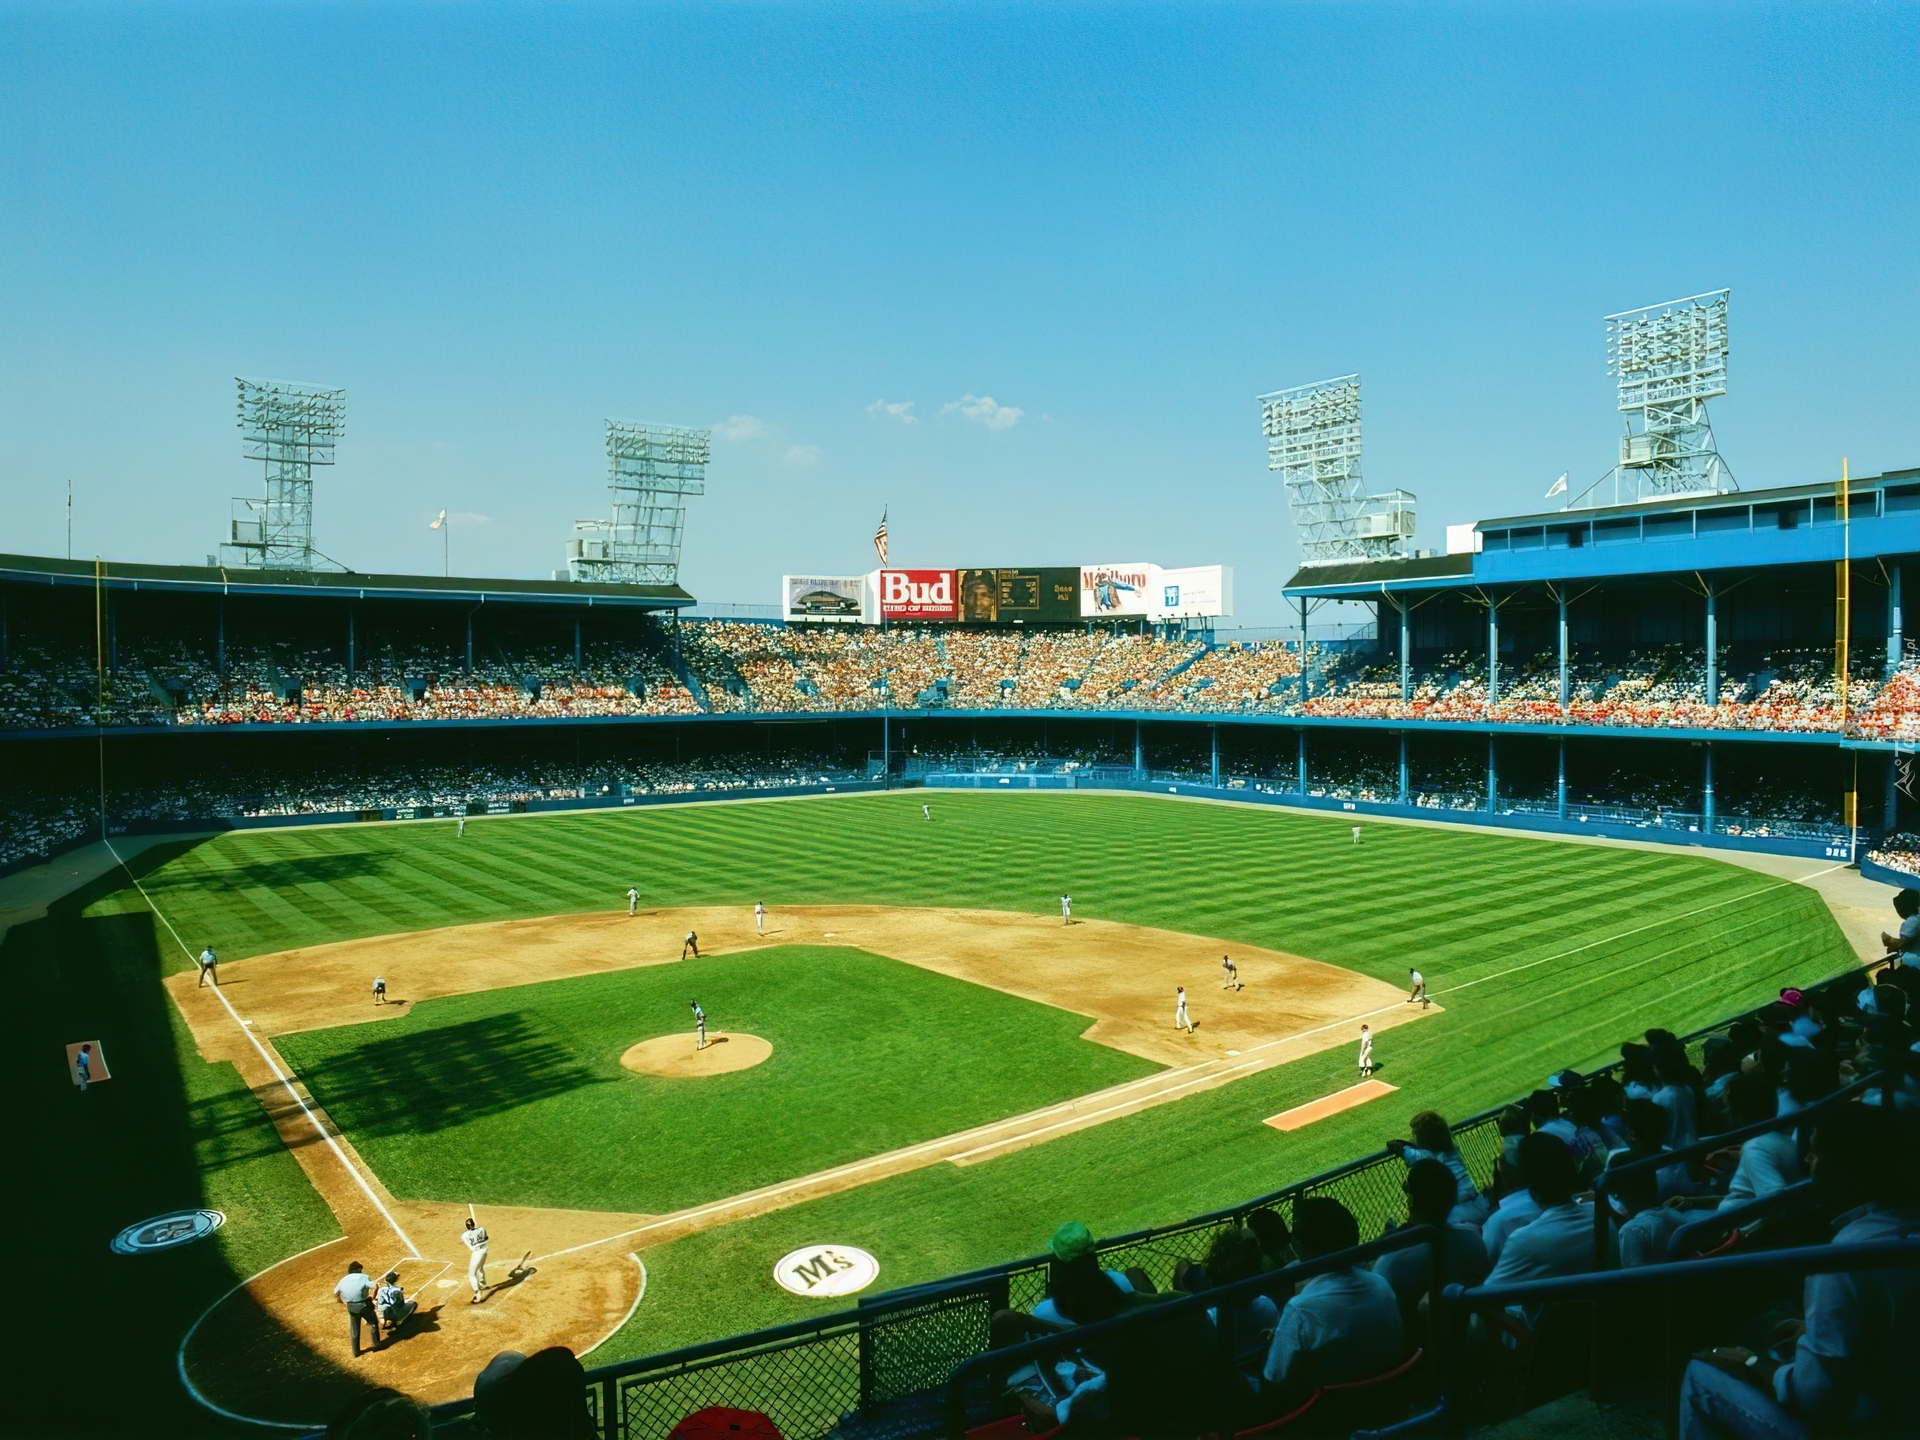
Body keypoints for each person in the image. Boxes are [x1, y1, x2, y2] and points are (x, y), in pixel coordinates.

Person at [1678, 1105, 1920, 1438]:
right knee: (1787, 1346)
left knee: (1701, 1372)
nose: (1807, 1162)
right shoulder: (1901, 1223)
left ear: (1847, 1169)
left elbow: (1817, 1397)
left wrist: (1752, 1364)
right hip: (1900, 1398)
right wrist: (1812, 1330)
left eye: (1817, 1153)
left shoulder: (1845, 1258)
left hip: (1881, 1421)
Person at [1260, 1197, 1404, 1410]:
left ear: (1300, 1248)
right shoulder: (1381, 1285)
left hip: (1332, 1419)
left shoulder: (1301, 1309)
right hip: (1390, 1404)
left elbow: (1273, 1381)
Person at [1373, 1158, 1489, 1330]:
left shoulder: (1392, 1260)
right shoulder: (1472, 1239)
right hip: (1468, 1335)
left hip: (1421, 1349)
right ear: (1453, 1198)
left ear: (1410, 1199)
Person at [1486, 1133, 1615, 1287]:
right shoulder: (1602, 1214)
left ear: (1529, 1182)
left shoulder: (1523, 1242)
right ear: (1573, 1171)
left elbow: (1486, 1295)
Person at [1389, 1111, 1488, 1228]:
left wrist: (1405, 1146)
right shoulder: (1452, 1150)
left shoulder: (1427, 1157)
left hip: (1458, 1214)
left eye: (1415, 1134)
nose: (1412, 1137)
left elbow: (1396, 1146)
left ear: (1424, 1137)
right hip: (1478, 1204)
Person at [334, 1261, 379, 1356]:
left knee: (354, 1328)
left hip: (351, 1307)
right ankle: (376, 1344)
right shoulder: (364, 1277)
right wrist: (372, 1297)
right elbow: (375, 1286)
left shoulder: (343, 1279)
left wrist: (344, 1303)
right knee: (373, 1323)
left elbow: (336, 1292)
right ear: (359, 1270)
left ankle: (356, 1351)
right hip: (363, 1305)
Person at [375, 1271, 416, 1335]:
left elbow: (377, 1299)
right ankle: (400, 1320)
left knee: (381, 1305)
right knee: (413, 1304)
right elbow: (401, 1303)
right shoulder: (397, 1290)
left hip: (380, 1312)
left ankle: (383, 1320)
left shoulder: (381, 1289)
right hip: (392, 1313)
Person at [462, 1217, 490, 1303]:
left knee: (471, 1274)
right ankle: (483, 1285)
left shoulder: (464, 1235)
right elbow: (486, 1238)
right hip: (485, 1250)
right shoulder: (482, 1229)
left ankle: (477, 1293)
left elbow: (471, 1246)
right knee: (480, 1267)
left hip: (477, 1252)